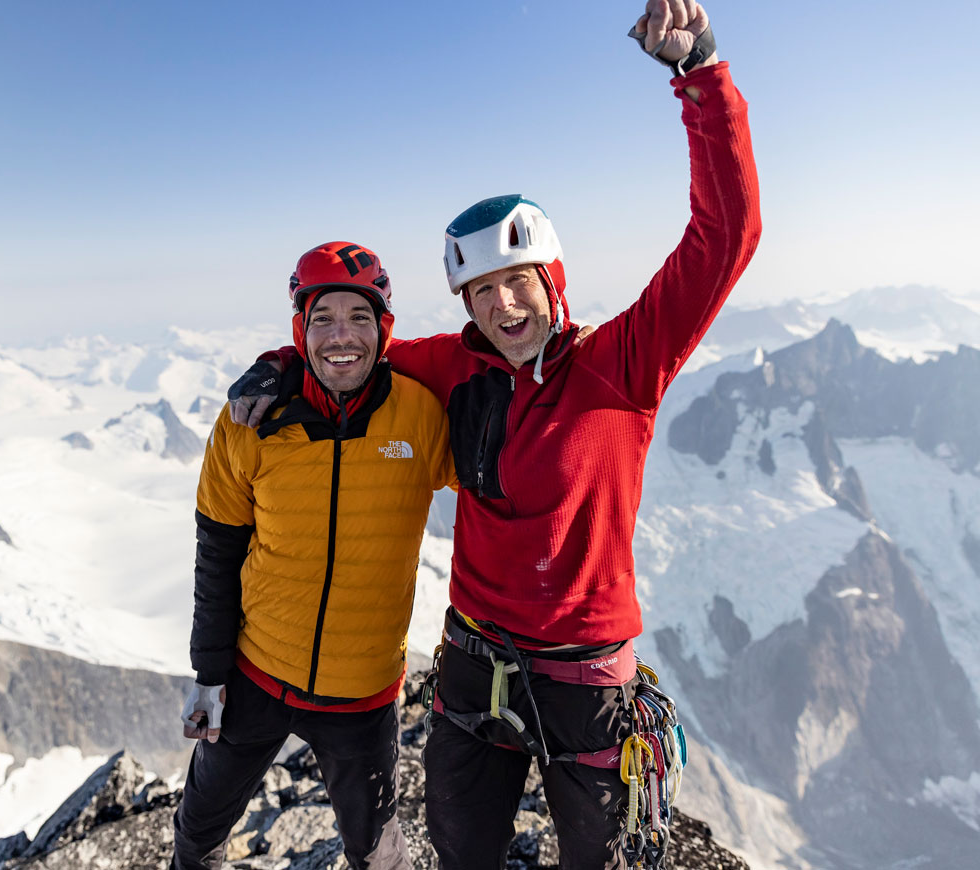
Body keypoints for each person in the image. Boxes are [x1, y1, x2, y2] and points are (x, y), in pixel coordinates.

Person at [227, 3, 760, 867]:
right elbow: (354, 348)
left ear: (551, 281)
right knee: (460, 844)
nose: (504, 306)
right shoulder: (454, 366)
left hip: (587, 674)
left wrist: (699, 72)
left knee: (600, 856)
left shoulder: (624, 362)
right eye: (483, 292)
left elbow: (725, 237)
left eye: (519, 283)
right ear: (466, 305)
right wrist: (279, 363)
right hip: (476, 660)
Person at [173, 241, 455, 870]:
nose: (340, 336)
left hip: (363, 695)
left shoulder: (421, 416)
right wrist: (209, 674)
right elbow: (217, 552)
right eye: (322, 317)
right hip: (255, 674)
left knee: (377, 854)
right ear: (299, 329)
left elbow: (498, 486)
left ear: (384, 329)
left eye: (359, 317)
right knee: (196, 832)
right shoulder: (251, 419)